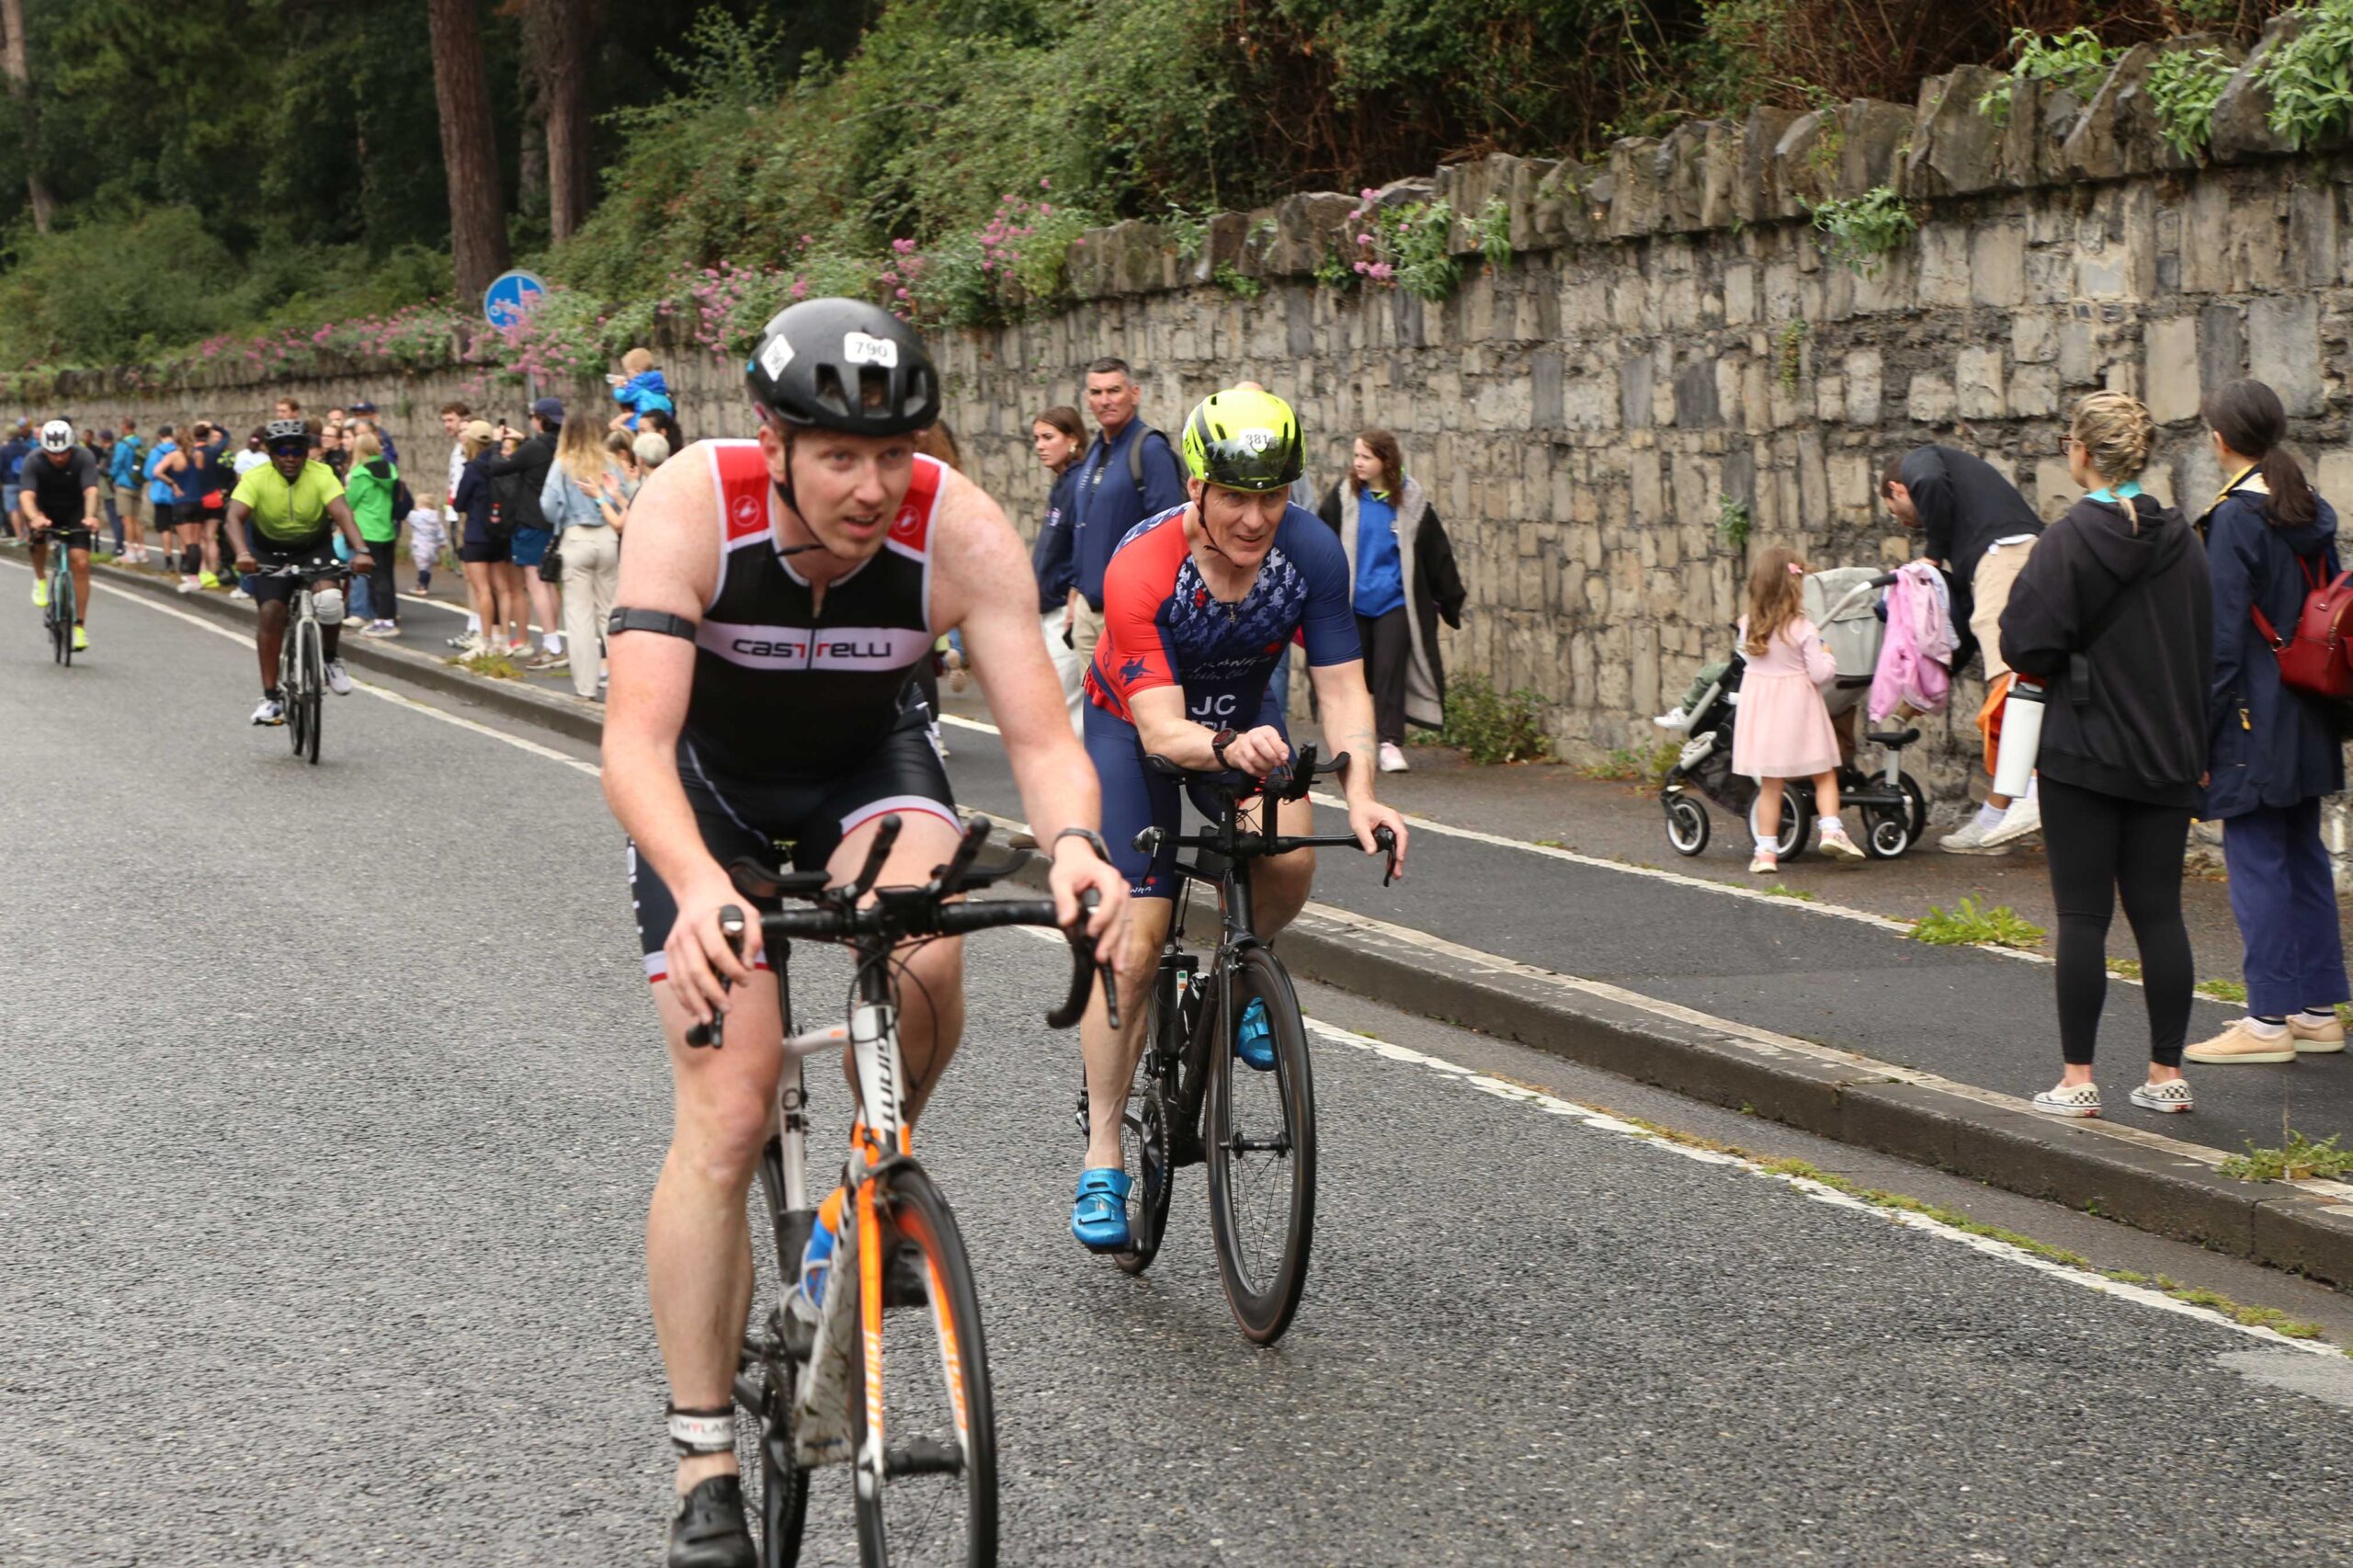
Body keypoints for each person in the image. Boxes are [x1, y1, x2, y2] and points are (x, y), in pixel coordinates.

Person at [601, 297, 1129, 1565]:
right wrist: (700, 883)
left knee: (928, 946)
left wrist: (1075, 846)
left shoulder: (958, 525)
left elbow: (1044, 737)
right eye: (839, 455)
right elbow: (635, 743)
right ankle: (704, 1460)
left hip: (866, 772)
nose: (872, 486)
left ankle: (866, 1189)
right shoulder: (692, 505)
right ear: (773, 443)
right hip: (709, 795)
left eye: (893, 453)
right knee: (731, 1104)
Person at [1074, 385, 1411, 1251]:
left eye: (1273, 495)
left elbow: (1342, 686)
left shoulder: (1310, 551)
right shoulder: (1142, 566)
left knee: (1290, 853)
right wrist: (1228, 746)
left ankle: (1240, 973)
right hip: (1137, 730)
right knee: (1137, 942)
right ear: (1196, 487)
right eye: (1235, 497)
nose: (1256, 518)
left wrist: (1363, 793)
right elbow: (1161, 731)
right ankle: (1104, 1155)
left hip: (1243, 718)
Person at [1999, 392, 2211, 1118]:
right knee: (2161, 914)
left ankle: (2077, 1079)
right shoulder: (2185, 540)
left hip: (2083, 750)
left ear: (2082, 452)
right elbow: (2206, 648)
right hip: (2168, 749)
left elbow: (2024, 644)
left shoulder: (2066, 541)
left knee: (2083, 916)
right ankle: (2166, 1075)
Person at [2184, 379, 2351, 1066]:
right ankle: (2316, 1012)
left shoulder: (2234, 518)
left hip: (2253, 715)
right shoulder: (2308, 506)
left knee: (2256, 862)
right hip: (2311, 704)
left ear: (2220, 440)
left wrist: (2199, 734)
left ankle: (2266, 1020)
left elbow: (2221, 641)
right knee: (2303, 856)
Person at [1881, 446, 2048, 852]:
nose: (1902, 524)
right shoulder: (1968, 525)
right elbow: (1963, 635)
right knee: (2022, 681)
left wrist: (1932, 556)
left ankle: (2021, 796)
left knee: (2007, 683)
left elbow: (1928, 480)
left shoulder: (1920, 461)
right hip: (2016, 553)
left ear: (1898, 489)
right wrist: (1918, 696)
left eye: (1894, 511)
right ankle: (2000, 812)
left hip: (2004, 555)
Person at [1317, 427, 1465, 773]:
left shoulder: (1412, 502)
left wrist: (1450, 600)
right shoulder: (1343, 499)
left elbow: (1437, 555)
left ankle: (1389, 743)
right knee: (1353, 676)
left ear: (1386, 461)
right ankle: (1351, 741)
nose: (1358, 463)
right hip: (1352, 603)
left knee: (1389, 671)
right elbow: (1319, 543)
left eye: (1366, 457)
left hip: (1394, 604)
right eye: (1356, 456)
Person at [225, 418, 373, 726]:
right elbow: (234, 518)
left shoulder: (322, 474)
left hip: (314, 549)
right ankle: (271, 698)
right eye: (282, 451)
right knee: (271, 613)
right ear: (271, 454)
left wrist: (361, 550)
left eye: (297, 451)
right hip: (269, 553)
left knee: (330, 601)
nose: (290, 457)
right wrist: (242, 553)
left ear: (307, 453)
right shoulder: (255, 478)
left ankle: (330, 659)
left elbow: (342, 513)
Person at [1733, 546, 1868, 874]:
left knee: (1771, 785)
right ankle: (1832, 830)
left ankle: (1766, 853)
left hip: (1763, 714)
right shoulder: (1805, 629)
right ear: (1795, 586)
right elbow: (1820, 674)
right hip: (1798, 710)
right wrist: (1828, 653)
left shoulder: (1747, 625)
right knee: (1824, 773)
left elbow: (1748, 660)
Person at [1066, 357, 1187, 679]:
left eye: (1114, 390)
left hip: (1127, 612)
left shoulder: (1150, 449)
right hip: (1088, 611)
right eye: (1096, 392)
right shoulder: (1096, 449)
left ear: (1134, 393)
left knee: (1130, 706)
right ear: (1087, 399)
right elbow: (1085, 528)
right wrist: (1076, 593)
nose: (1105, 400)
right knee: (1093, 707)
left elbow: (1168, 534)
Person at [540, 409, 620, 698]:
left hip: (576, 537)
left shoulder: (562, 464)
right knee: (610, 613)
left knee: (579, 616)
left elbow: (548, 506)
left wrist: (562, 518)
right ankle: (622, 681)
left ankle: (586, 687)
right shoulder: (611, 462)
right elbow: (621, 496)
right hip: (607, 536)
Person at [484, 398, 564, 667]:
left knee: (536, 581)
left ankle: (551, 644)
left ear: (540, 419)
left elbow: (497, 467)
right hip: (554, 520)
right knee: (550, 582)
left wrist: (497, 444)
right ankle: (554, 641)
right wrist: (525, 439)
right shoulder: (560, 445)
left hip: (531, 519)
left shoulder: (534, 448)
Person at [1029, 404, 1087, 732]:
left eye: (1048, 437)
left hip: (1065, 612)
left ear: (1073, 439)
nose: (1040, 445)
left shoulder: (1079, 485)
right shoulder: (1063, 483)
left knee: (1065, 706)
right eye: (1036, 438)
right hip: (1047, 610)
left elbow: (1083, 545)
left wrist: (1074, 595)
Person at [21, 420, 101, 652]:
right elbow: (26, 495)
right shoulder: (33, 460)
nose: (59, 458)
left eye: (64, 452)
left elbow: (91, 491)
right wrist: (35, 517)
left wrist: (90, 516)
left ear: (71, 447)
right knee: (37, 534)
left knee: (81, 563)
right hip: (45, 508)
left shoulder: (84, 457)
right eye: (53, 453)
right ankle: (40, 579)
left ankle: (79, 628)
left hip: (75, 509)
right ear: (44, 449)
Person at [449, 420, 519, 657]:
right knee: (503, 588)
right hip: (500, 533)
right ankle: (504, 640)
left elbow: (459, 504)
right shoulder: (502, 464)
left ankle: (486, 641)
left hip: (477, 534)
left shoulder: (473, 469)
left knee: (483, 590)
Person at [345, 430, 404, 637]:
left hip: (367, 530)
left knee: (376, 579)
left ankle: (384, 621)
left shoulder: (360, 474)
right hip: (386, 529)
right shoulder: (389, 470)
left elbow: (349, 502)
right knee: (387, 576)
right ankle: (388, 616)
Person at [608, 346, 675, 432]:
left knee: (627, 428)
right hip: (663, 420)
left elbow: (623, 397)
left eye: (628, 373)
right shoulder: (657, 382)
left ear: (638, 371)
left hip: (644, 417)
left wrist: (618, 387)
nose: (628, 377)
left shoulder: (640, 381)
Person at [109, 417, 148, 564]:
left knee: (127, 520)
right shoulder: (140, 443)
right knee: (137, 520)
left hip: (124, 484)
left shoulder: (122, 445)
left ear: (125, 427)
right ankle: (142, 551)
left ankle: (130, 551)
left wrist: (112, 477)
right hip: (138, 484)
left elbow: (117, 463)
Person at [404, 491, 446, 596]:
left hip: (420, 546)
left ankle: (421, 586)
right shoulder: (435, 518)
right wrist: (442, 542)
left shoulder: (416, 515)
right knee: (427, 568)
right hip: (432, 547)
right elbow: (440, 531)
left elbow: (406, 515)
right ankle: (425, 584)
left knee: (422, 567)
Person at [0, 420, 33, 532]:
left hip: (9, 483)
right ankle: (27, 534)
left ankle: (19, 535)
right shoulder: (27, 448)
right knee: (24, 508)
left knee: (13, 510)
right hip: (25, 482)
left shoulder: (3, 449)